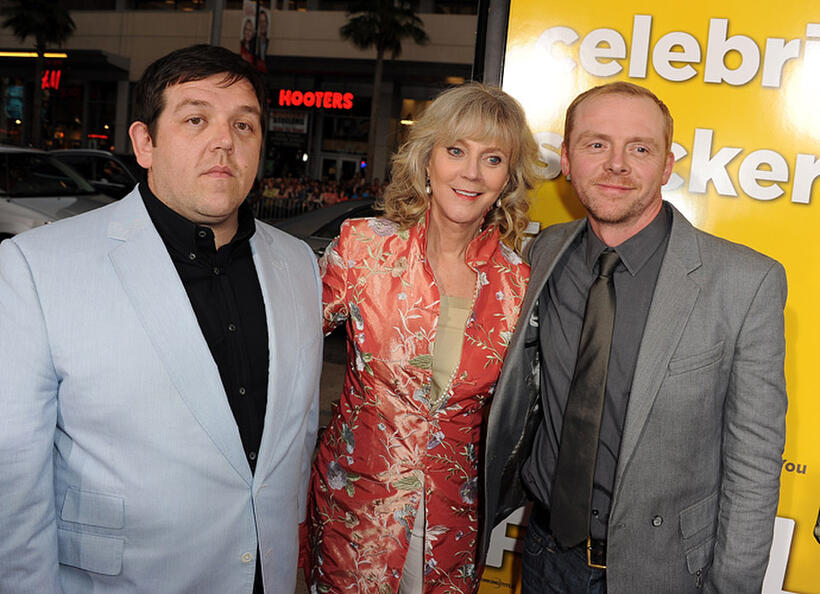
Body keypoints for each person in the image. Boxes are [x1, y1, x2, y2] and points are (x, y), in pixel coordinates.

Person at [0, 44, 321, 594]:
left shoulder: (298, 265)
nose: (225, 140)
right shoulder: (37, 266)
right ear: (144, 143)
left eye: (244, 125)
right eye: (196, 119)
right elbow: (12, 475)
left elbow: (299, 430)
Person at [480, 81, 787, 593]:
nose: (616, 165)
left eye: (639, 148)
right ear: (568, 160)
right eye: (596, 144)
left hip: (663, 572)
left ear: (667, 165)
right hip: (541, 554)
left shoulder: (745, 282)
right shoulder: (542, 255)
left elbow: (754, 459)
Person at [304, 82, 540, 593]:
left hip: (455, 523)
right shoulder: (365, 247)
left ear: (508, 178)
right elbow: (282, 348)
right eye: (456, 151)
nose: (472, 173)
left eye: (493, 158)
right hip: (355, 513)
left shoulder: (519, 283)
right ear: (427, 159)